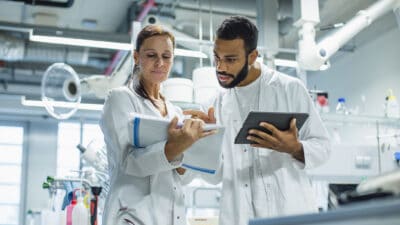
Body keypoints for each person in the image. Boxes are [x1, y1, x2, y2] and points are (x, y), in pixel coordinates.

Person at [184, 16, 331, 225]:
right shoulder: (214, 105)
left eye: (231, 59)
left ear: (252, 56)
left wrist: (295, 148)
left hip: (288, 214)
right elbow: (215, 176)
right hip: (238, 217)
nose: (220, 67)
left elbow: (323, 147)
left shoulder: (289, 89)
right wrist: (206, 144)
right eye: (216, 57)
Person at [100, 24, 214, 225]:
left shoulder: (175, 112)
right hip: (132, 216)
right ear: (136, 57)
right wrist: (175, 146)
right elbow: (129, 162)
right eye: (151, 55)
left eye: (166, 56)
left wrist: (201, 139)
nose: (160, 62)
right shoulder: (120, 99)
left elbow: (183, 178)